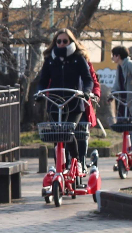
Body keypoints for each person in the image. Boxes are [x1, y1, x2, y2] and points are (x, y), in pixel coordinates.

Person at [35, 28, 95, 173]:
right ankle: (59, 168)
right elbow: (43, 81)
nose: (61, 44)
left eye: (65, 41)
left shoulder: (78, 58)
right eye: (59, 41)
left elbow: (88, 79)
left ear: (71, 42)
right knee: (56, 134)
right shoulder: (50, 59)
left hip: (74, 102)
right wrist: (39, 93)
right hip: (54, 103)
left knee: (67, 132)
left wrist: (86, 92)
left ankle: (76, 161)